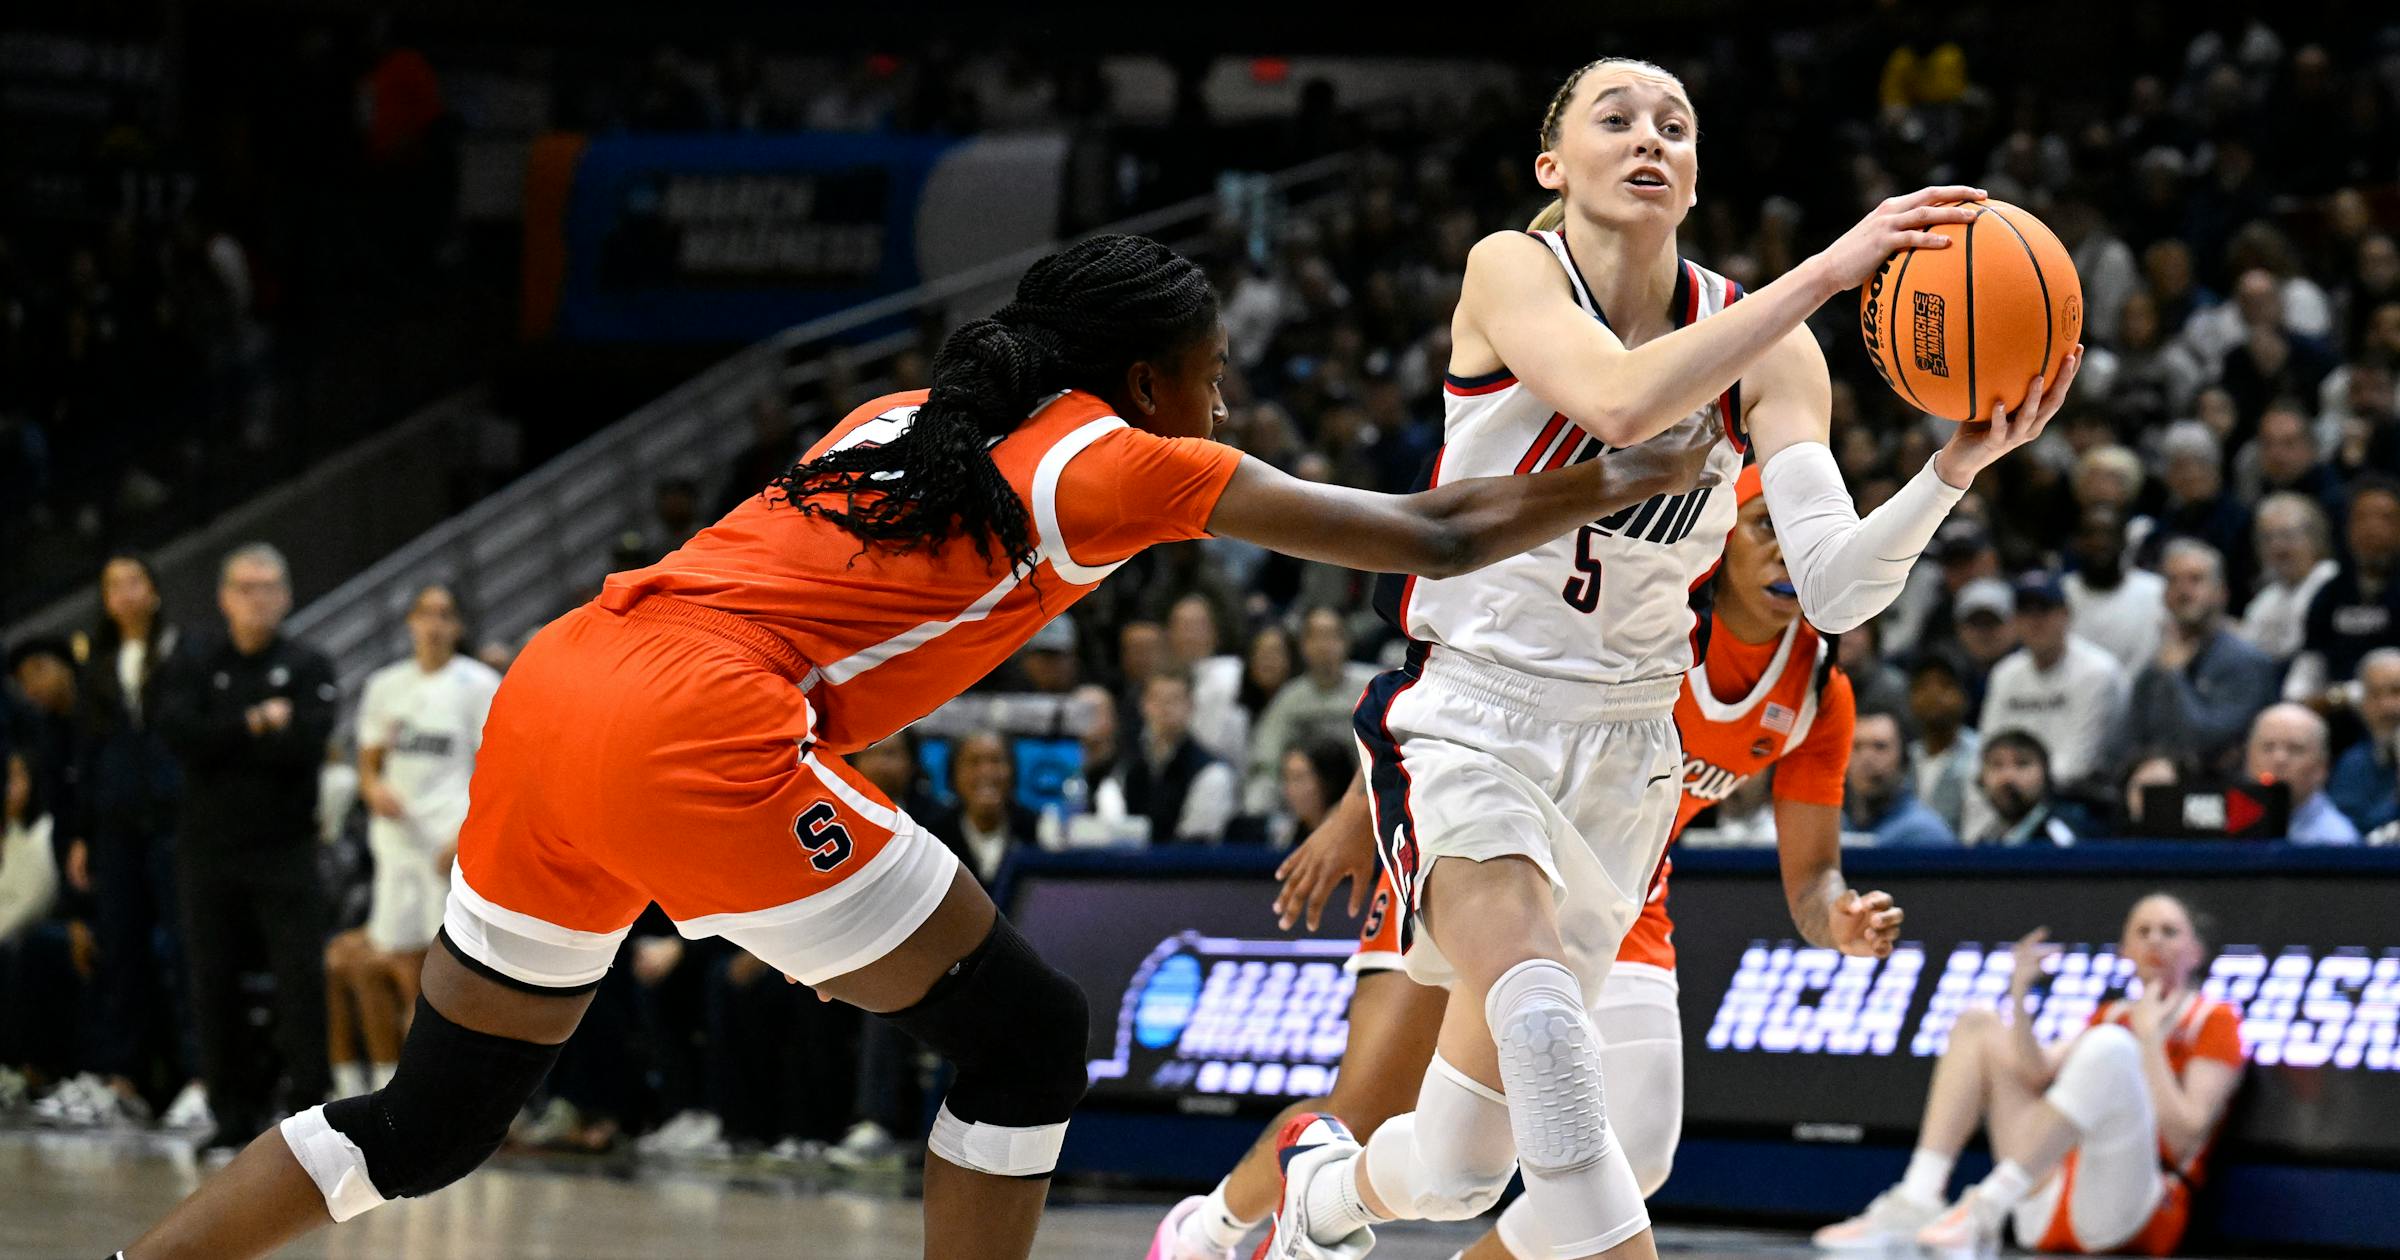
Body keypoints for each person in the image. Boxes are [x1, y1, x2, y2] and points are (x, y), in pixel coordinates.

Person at [112, 233, 1724, 1260]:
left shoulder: (899, 419)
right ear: (1147, 375)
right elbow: (1433, 531)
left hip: (560, 686)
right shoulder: (1122, 459)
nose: (1224, 399)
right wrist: (1618, 470)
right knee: (1026, 1038)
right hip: (696, 725)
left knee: (431, 1122)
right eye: (1212, 373)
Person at [1245, 57, 2072, 1260]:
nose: (1649, 138)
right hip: (1475, 717)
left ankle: (1318, 1194)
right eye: (1617, 118)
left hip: (1630, 753)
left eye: (1674, 127)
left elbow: (1834, 585)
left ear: (1693, 177)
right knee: (1546, 1039)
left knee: (1460, 1170)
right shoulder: (1512, 268)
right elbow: (1621, 404)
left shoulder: (1773, 353)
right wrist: (1830, 270)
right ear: (1552, 165)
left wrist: (1953, 470)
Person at [1154, 464, 1899, 1260]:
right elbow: (1466, 687)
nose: (1787, 553)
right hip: (1484, 834)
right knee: (1369, 1105)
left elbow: (1812, 876)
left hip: (1621, 891)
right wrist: (1354, 813)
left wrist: (1837, 915)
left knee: (1629, 1157)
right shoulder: (1651, 614)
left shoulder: (1817, 689)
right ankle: (1205, 1231)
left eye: (1801, 535)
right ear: (1718, 539)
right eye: (1764, 528)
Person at [1815, 893, 2244, 1255]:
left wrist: (2147, 1039)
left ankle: (1986, 1207)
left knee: (2111, 1047)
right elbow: (2036, 1073)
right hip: (2050, 1197)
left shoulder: (2214, 1019)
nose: (2155, 941)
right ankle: (1918, 1196)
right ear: (2124, 950)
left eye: (2169, 931)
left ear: (2196, 951)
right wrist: (2019, 995)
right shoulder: (2111, 1013)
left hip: (2137, 1208)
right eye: (2143, 931)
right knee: (1978, 1023)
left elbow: (2185, 1135)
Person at [153, 543, 341, 1154]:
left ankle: (310, 1109)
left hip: (285, 848)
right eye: (245, 587)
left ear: (286, 596)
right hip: (209, 849)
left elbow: (307, 744)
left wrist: (226, 738)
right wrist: (256, 724)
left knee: (298, 978)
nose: (257, 599)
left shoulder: (309, 664)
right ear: (224, 597)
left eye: (268, 587)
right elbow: (180, 735)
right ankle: (231, 1111)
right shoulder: (195, 661)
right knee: (213, 980)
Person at [339, 584, 501, 1098]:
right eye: (424, 613)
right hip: (397, 845)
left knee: (446, 975)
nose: (433, 624)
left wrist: (466, 836)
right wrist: (372, 789)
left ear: (458, 625)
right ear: (409, 621)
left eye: (444, 614)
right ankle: (396, 1089)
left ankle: (449, 1092)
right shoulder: (385, 685)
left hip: (447, 845)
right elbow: (368, 762)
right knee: (397, 965)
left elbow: (497, 770)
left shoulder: (480, 684)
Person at [65, 554, 204, 1131]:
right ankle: (121, 1079)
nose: (124, 593)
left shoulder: (182, 650)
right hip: (116, 825)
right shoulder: (97, 665)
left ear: (153, 589)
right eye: (112, 585)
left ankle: (201, 1078)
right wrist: (81, 833)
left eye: (133, 581)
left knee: (185, 948)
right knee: (120, 950)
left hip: (173, 821)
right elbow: (86, 755)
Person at [2112, 540, 2280, 777]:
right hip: (2161, 789)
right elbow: (2128, 746)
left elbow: (2205, 742)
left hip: (2225, 790)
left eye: (2196, 579)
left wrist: (2174, 676)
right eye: (2173, 580)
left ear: (2221, 592)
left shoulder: (2247, 663)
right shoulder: (2154, 668)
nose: (2183, 591)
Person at [1982, 573, 2126, 797]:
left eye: (2044, 610)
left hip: (2077, 797)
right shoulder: (2004, 674)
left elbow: (2080, 763)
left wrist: (2015, 782)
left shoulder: (2098, 672)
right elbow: (1989, 747)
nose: (2035, 622)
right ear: (2015, 621)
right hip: (2011, 793)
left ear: (2066, 614)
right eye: (2025, 613)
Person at [1245, 607, 1377, 813]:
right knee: (1260, 790)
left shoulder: (1373, 688)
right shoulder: (1289, 698)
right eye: (1316, 637)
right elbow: (1266, 754)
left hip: (1365, 788)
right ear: (1303, 646)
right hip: (1305, 796)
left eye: (1331, 636)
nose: (1324, 645)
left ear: (1346, 642)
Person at [2288, 477, 2400, 703]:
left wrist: (2345, 695)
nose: (2372, 528)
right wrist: (2298, 700)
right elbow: (2309, 665)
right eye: (2362, 517)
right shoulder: (2329, 594)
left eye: (2385, 518)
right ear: (2347, 528)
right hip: (2336, 711)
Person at [1101, 671, 1240, 844]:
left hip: (1183, 859)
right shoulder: (1128, 765)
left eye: (1174, 700)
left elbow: (1196, 843)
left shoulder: (1211, 773)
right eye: (1157, 699)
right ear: (1143, 705)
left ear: (1191, 706)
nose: (1165, 708)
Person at [2062, 505, 2166, 672]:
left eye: (2109, 533)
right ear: (2077, 542)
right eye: (2090, 534)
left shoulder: (2156, 591)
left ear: (2124, 540)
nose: (2100, 542)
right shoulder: (2061, 594)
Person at [927, 730, 1039, 883]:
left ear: (1013, 770)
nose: (986, 772)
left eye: (996, 761)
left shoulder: (1035, 830)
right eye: (974, 762)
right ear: (954, 774)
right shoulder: (933, 837)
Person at [2236, 492, 2336, 663]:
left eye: (2287, 535)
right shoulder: (2267, 597)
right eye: (2267, 538)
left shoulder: (2331, 584)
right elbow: (2248, 652)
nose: (2277, 547)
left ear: (2315, 538)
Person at [2244, 703, 2359, 845]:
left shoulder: (2336, 841)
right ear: (2248, 758)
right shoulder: (2226, 825)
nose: (2279, 759)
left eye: (2295, 749)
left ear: (2321, 767)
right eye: (2268, 747)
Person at [1844, 709, 1957, 847]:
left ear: (1904, 759)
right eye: (1856, 747)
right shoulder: (1834, 827)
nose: (1866, 759)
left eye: (1880, 747)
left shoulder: (1925, 834)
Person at [2326, 648, 2399, 834]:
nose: (2387, 706)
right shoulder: (2354, 763)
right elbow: (2347, 833)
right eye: (2375, 694)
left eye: (2397, 691)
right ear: (2363, 705)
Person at [1906, 655, 1980, 838]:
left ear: (1964, 697)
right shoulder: (1904, 758)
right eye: (1922, 686)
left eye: (1945, 685)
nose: (1933, 695)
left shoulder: (1981, 755)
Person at [1968, 730, 2080, 846]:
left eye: (2022, 764)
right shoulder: (1989, 838)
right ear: (1981, 778)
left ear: (2045, 775)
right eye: (1997, 765)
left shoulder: (2064, 835)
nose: (2008, 777)